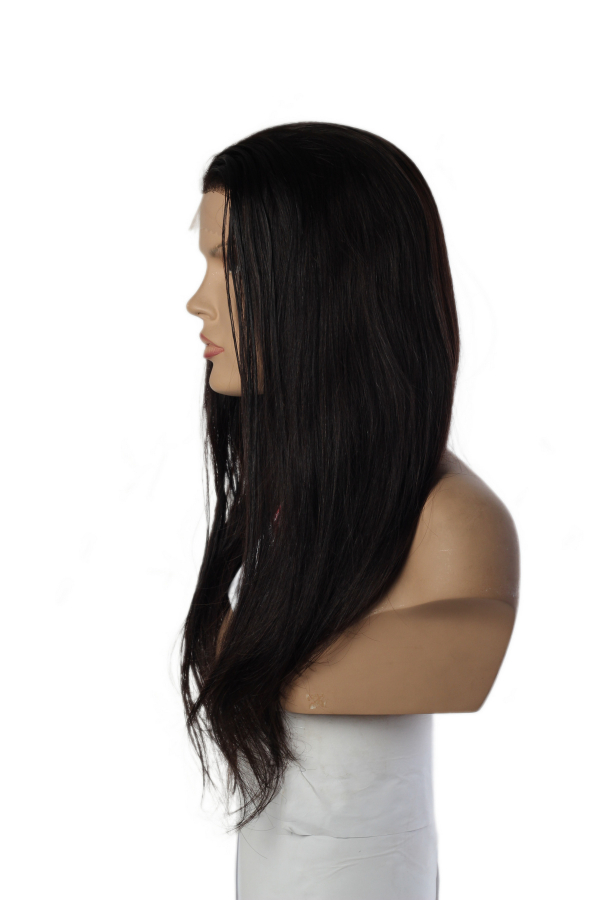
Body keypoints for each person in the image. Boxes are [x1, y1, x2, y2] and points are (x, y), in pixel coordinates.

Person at [181, 122, 520, 899]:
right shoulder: (287, 504)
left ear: (330, 282)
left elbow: (460, 668)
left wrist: (250, 651)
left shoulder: (452, 524)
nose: (197, 300)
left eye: (232, 264)